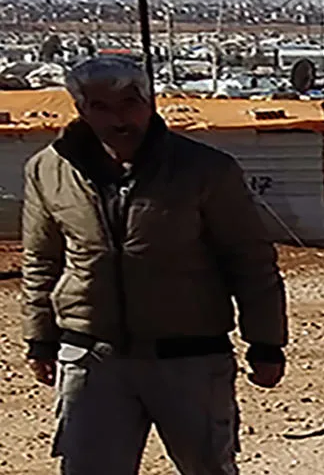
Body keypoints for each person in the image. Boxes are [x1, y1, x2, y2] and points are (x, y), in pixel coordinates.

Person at [19, 56, 288, 474]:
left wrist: (267, 342)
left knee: (207, 467)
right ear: (81, 109)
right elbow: (40, 260)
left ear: (150, 102)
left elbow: (249, 259)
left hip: (190, 358)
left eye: (129, 102)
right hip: (92, 357)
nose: (118, 118)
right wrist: (40, 338)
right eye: (100, 106)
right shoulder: (48, 170)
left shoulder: (205, 170)